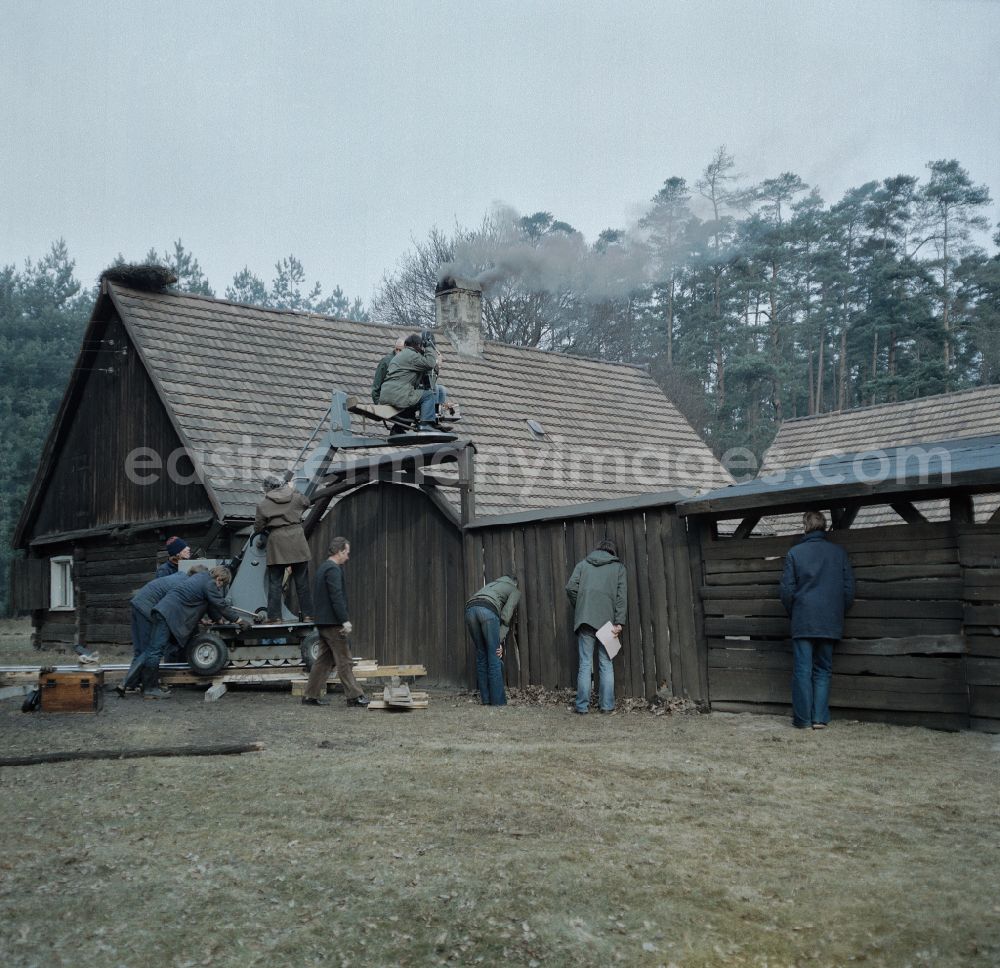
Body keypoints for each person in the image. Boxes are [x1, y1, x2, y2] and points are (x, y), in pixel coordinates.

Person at [779, 510, 855, 730]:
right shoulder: (839, 553)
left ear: (805, 526)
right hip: (830, 620)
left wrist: (795, 611)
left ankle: (802, 720)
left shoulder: (795, 553)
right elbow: (849, 589)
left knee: (802, 670)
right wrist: (837, 611)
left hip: (803, 619)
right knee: (823, 669)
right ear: (824, 526)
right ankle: (819, 719)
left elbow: (786, 591)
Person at [122, 565, 248, 698]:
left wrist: (218, 620)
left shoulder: (201, 578)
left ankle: (135, 684)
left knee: (152, 650)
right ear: (219, 579)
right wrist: (239, 620)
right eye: (221, 584)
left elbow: (209, 605)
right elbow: (220, 604)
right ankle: (149, 689)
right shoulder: (209, 583)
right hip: (166, 614)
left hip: (163, 612)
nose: (219, 588)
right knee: (155, 650)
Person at [118, 565, 207, 697]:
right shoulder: (185, 585)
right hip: (147, 608)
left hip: (138, 603)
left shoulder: (179, 576)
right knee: (152, 649)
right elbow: (175, 608)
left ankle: (133, 684)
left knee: (141, 650)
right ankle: (147, 687)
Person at [302, 537, 369, 707]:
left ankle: (310, 695)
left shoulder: (322, 568)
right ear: (339, 552)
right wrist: (344, 620)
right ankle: (354, 696)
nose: (348, 557)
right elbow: (336, 597)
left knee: (324, 660)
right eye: (346, 553)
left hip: (323, 623)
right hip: (333, 623)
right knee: (345, 660)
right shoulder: (333, 570)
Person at [566, 539, 627, 715]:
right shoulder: (619, 569)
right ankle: (607, 707)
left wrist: (581, 606)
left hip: (585, 619)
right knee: (606, 663)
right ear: (613, 553)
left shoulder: (583, 564)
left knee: (585, 664)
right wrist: (619, 622)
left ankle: (582, 707)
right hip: (608, 622)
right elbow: (621, 596)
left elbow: (570, 587)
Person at [254, 474, 314, 623]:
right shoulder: (294, 496)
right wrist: (295, 490)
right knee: (302, 582)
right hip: (297, 540)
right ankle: (308, 615)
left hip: (277, 542)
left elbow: (258, 527)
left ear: (266, 488)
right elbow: (307, 502)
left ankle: (275, 617)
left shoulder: (263, 504)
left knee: (275, 582)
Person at [465, 575, 520, 706]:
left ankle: (486, 699)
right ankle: (498, 702)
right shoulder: (514, 590)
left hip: (470, 610)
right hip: (488, 612)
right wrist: (498, 641)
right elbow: (506, 615)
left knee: (481, 655)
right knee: (494, 657)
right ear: (515, 583)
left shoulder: (491, 585)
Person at [377, 333, 450, 431]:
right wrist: (429, 347)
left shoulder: (401, 355)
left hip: (387, 396)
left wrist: (436, 367)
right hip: (398, 394)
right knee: (428, 395)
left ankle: (398, 429)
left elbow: (427, 375)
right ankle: (426, 424)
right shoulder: (412, 355)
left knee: (414, 399)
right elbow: (429, 363)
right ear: (418, 346)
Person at [371, 336, 405, 403]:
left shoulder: (407, 361)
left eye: (400, 350)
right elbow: (377, 383)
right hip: (386, 401)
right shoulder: (386, 361)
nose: (398, 352)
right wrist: (377, 403)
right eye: (396, 349)